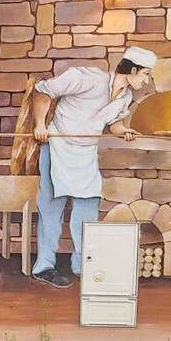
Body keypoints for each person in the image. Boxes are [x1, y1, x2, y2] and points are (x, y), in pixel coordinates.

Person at [29, 46, 157, 289]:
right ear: (132, 69)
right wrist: (39, 125)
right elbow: (42, 91)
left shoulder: (125, 97)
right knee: (51, 206)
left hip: (86, 153)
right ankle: (44, 266)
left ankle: (82, 265)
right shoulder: (86, 79)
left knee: (88, 207)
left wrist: (124, 132)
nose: (147, 81)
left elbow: (114, 124)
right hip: (57, 145)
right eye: (146, 74)